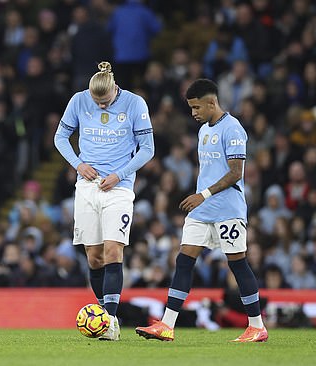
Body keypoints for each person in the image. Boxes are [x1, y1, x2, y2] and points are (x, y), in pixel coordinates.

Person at [135, 78, 268, 343]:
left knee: (238, 264)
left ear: (211, 102)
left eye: (196, 108)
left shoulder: (233, 129)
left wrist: (203, 194)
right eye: (191, 108)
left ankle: (257, 326)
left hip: (227, 210)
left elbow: (235, 173)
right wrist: (201, 197)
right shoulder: (203, 130)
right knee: (184, 260)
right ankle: (167, 325)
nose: (194, 113)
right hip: (201, 211)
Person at [54, 61, 155, 340]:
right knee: (94, 257)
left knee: (113, 251)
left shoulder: (135, 104)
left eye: (105, 101)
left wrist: (120, 174)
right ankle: (102, 313)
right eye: (96, 101)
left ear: (114, 89)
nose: (100, 106)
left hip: (119, 188)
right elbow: (60, 137)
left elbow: (148, 149)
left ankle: (111, 321)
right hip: (87, 187)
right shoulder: (78, 100)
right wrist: (78, 164)